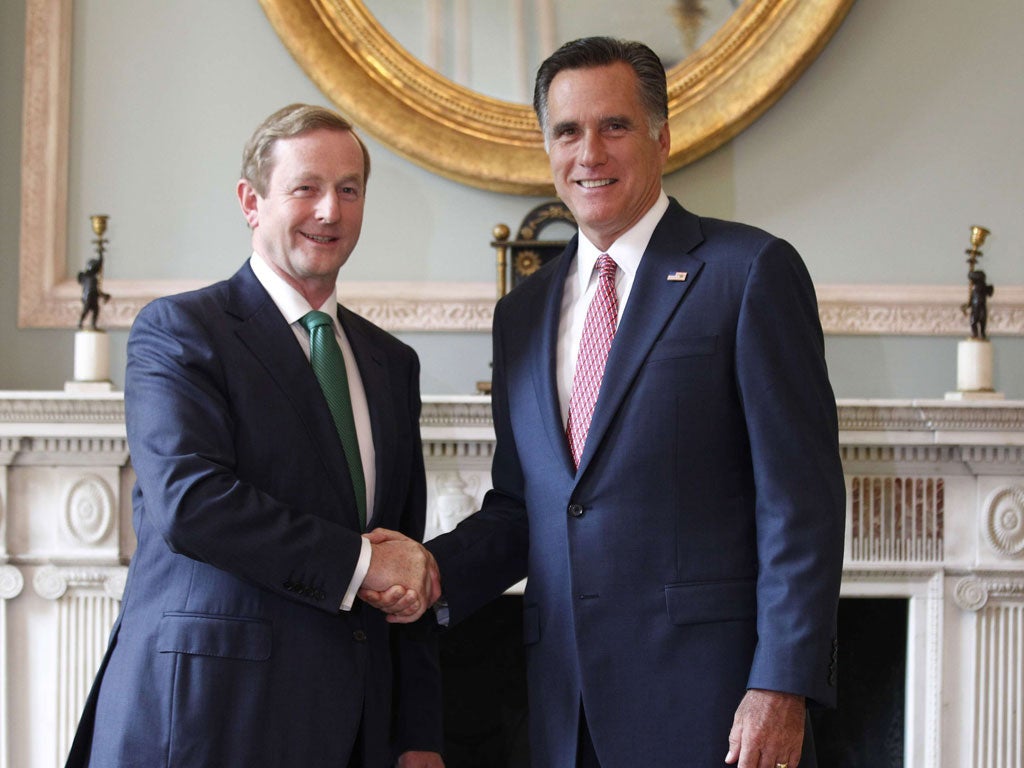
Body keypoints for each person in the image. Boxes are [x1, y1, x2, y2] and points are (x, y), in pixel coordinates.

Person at [367, 37, 846, 767]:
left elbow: (801, 502)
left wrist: (782, 685)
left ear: (662, 136)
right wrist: (429, 571)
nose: (589, 151)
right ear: (547, 146)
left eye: (614, 126)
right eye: (567, 130)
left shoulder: (748, 273)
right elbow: (523, 508)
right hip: (567, 711)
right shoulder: (522, 312)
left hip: (719, 710)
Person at [65, 104, 444, 768]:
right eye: (306, 188)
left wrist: (417, 735)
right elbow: (194, 503)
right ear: (251, 201)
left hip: (353, 730)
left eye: (349, 189)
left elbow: (399, 552)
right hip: (207, 718)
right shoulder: (180, 332)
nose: (330, 210)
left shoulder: (392, 363)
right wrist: (361, 563)